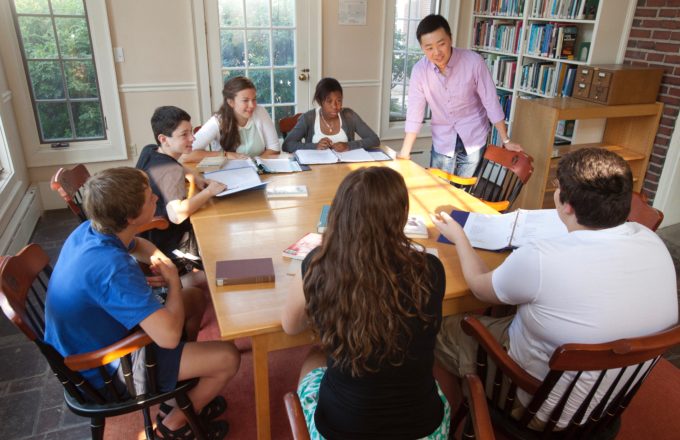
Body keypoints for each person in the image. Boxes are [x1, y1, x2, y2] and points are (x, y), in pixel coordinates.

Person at [432, 148, 678, 430]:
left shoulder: (542, 257)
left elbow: (479, 288)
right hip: (608, 400)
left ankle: (461, 414)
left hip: (537, 404)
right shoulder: (653, 241)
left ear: (567, 205)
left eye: (557, 188)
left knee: (442, 326)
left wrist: (459, 237)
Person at [44, 167, 240, 439]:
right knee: (228, 358)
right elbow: (169, 337)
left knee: (194, 297)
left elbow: (138, 246)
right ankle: (174, 424)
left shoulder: (92, 230)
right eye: (150, 198)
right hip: (102, 368)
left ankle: (175, 388)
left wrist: (165, 263)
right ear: (131, 217)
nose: (157, 199)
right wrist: (172, 280)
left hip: (89, 341)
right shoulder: (113, 270)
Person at [281, 167, 450, 439]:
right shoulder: (430, 269)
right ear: (400, 216)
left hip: (342, 429)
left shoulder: (318, 264)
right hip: (423, 429)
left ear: (339, 214)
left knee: (315, 356)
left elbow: (290, 327)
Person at [398, 14, 522, 177]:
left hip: (474, 136)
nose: (436, 52)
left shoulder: (474, 62)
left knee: (463, 194)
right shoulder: (419, 71)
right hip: (442, 139)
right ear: (422, 48)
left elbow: (491, 102)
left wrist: (506, 140)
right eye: (429, 48)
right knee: (438, 189)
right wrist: (405, 153)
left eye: (441, 44)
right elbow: (415, 113)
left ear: (450, 39)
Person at [136, 106, 225, 284]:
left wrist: (195, 177)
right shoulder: (170, 171)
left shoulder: (151, 150)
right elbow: (176, 215)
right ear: (164, 139)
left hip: (147, 236)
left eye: (191, 132)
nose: (193, 138)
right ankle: (183, 281)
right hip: (168, 244)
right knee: (223, 244)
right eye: (184, 134)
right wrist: (209, 191)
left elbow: (176, 165)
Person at [186, 76, 280, 162]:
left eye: (254, 99)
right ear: (231, 102)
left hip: (259, 172)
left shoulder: (260, 112)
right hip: (228, 174)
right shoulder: (217, 121)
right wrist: (225, 155)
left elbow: (274, 149)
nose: (252, 105)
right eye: (245, 100)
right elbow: (187, 155)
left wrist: (254, 164)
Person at [282, 77, 380, 153]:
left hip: (344, 169)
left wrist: (348, 146)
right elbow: (287, 145)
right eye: (329, 101)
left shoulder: (349, 115)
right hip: (315, 172)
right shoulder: (308, 118)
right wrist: (315, 146)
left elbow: (374, 140)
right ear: (320, 101)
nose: (335, 106)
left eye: (339, 100)